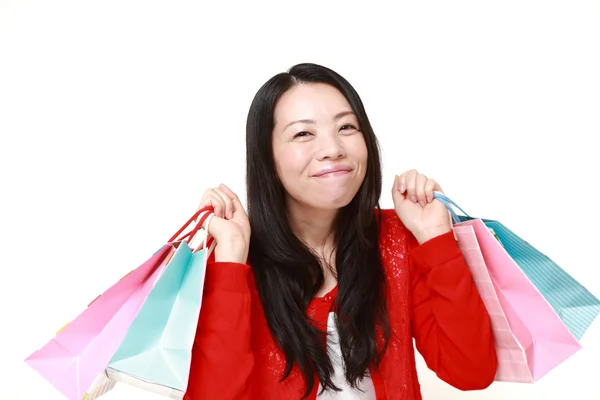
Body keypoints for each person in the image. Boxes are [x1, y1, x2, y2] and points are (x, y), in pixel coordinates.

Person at [183, 63, 497, 400]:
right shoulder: (235, 258)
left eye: (347, 126)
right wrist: (229, 264)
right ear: (267, 158)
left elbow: (471, 371)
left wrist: (435, 237)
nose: (333, 149)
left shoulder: (397, 239)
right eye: (303, 133)